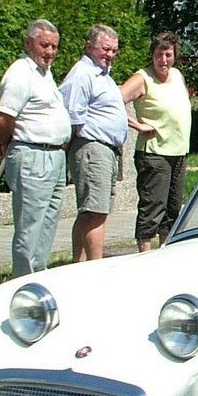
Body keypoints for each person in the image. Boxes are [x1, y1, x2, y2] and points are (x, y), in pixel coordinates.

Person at [0, 19, 72, 277]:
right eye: (44, 45)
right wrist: (8, 146)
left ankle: (38, 277)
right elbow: (3, 117)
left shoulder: (43, 74)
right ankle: (22, 284)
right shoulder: (20, 73)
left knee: (47, 224)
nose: (49, 52)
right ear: (28, 43)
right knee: (30, 227)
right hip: (33, 155)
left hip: (55, 155)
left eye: (54, 47)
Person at [59, 22, 128, 262]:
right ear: (89, 47)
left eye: (113, 50)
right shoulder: (83, 73)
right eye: (105, 49)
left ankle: (77, 266)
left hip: (105, 149)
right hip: (92, 147)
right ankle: (94, 268)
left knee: (93, 211)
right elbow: (73, 115)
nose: (110, 55)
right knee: (95, 212)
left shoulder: (103, 75)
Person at [118, 30, 192, 252]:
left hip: (178, 152)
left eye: (168, 54)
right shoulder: (143, 78)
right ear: (152, 55)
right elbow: (114, 100)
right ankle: (145, 253)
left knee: (172, 210)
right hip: (154, 153)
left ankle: (165, 251)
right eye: (159, 54)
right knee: (153, 207)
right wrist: (137, 124)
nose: (164, 60)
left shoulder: (177, 75)